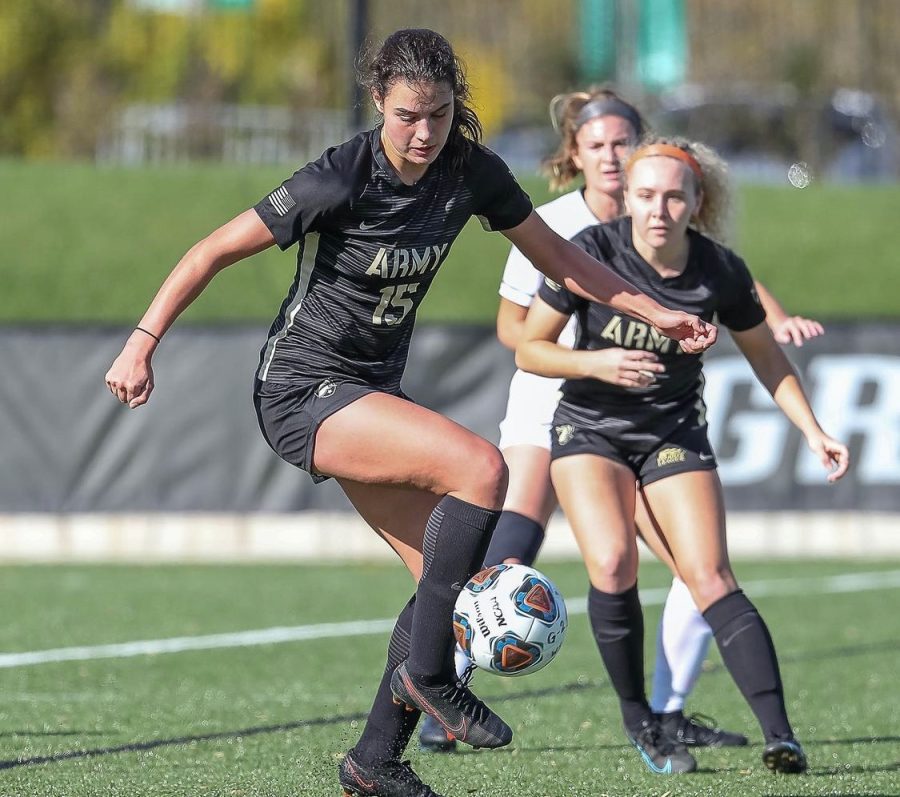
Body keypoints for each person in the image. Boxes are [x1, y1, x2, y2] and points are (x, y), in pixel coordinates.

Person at [104, 30, 716, 797]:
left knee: (442, 581)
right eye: (406, 116)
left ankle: (376, 760)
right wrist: (142, 341)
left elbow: (564, 261)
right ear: (378, 103)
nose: (423, 133)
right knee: (482, 468)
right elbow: (210, 251)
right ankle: (431, 676)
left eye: (438, 113)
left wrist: (657, 311)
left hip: (369, 390)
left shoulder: (469, 172)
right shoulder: (340, 175)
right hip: (301, 388)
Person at [419, 88, 824, 755]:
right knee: (521, 542)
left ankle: (665, 709)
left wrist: (774, 322)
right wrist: (595, 359)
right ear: (574, 153)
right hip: (556, 396)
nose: (611, 157)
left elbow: (728, 280)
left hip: (649, 414)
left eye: (621, 143)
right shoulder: (551, 227)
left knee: (700, 576)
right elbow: (516, 332)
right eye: (597, 145)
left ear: (643, 150)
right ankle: (447, 690)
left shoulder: (666, 204)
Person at [515, 135, 849, 776]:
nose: (658, 209)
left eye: (674, 196)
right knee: (613, 562)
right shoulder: (593, 251)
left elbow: (767, 357)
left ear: (698, 202)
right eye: (645, 195)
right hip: (591, 428)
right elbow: (531, 349)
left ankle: (782, 736)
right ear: (628, 200)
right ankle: (641, 718)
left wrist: (814, 430)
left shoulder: (719, 269)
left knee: (710, 576)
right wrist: (599, 362)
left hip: (673, 434)